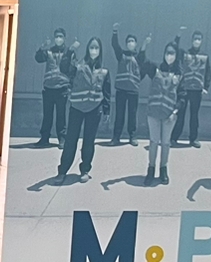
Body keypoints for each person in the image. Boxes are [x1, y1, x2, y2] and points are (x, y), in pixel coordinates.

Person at [57, 37, 109, 182]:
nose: (94, 50)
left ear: (100, 51)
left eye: (96, 48)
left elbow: (106, 92)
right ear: (87, 49)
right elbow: (64, 68)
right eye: (91, 47)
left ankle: (85, 170)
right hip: (77, 108)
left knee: (89, 141)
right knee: (70, 140)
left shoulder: (104, 71)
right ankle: (62, 171)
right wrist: (70, 50)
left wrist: (107, 111)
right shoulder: (78, 66)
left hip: (94, 109)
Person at [141, 41, 181, 186]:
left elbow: (182, 96)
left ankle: (163, 169)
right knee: (153, 142)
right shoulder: (156, 69)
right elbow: (143, 61)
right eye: (167, 53)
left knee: (165, 143)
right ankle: (151, 169)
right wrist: (144, 46)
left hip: (169, 115)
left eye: (172, 53)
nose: (169, 56)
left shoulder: (179, 74)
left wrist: (175, 111)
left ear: (176, 55)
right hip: (153, 112)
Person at [108, 26, 148, 145]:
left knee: (132, 115)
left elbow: (143, 58)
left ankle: (132, 137)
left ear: (136, 44)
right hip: (121, 90)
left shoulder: (138, 57)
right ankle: (116, 137)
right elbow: (115, 45)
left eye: (132, 41)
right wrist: (115, 32)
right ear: (126, 44)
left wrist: (145, 43)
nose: (130, 43)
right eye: (129, 41)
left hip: (133, 91)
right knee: (119, 115)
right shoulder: (121, 55)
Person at [172, 30, 210, 148]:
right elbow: (175, 50)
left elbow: (208, 72)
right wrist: (178, 37)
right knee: (181, 114)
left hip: (197, 90)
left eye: (199, 39)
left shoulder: (205, 56)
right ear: (192, 40)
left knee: (194, 115)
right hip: (185, 88)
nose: (197, 41)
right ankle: (174, 138)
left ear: (201, 41)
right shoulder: (185, 54)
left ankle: (193, 139)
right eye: (195, 39)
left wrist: (206, 87)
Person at [34, 28, 70, 146]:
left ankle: (62, 139)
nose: (58, 39)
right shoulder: (49, 51)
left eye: (61, 36)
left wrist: (70, 87)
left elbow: (72, 69)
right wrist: (42, 47)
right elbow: (38, 59)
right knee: (47, 115)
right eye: (57, 37)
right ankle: (44, 138)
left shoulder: (68, 52)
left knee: (61, 116)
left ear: (64, 38)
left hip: (62, 89)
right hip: (49, 88)